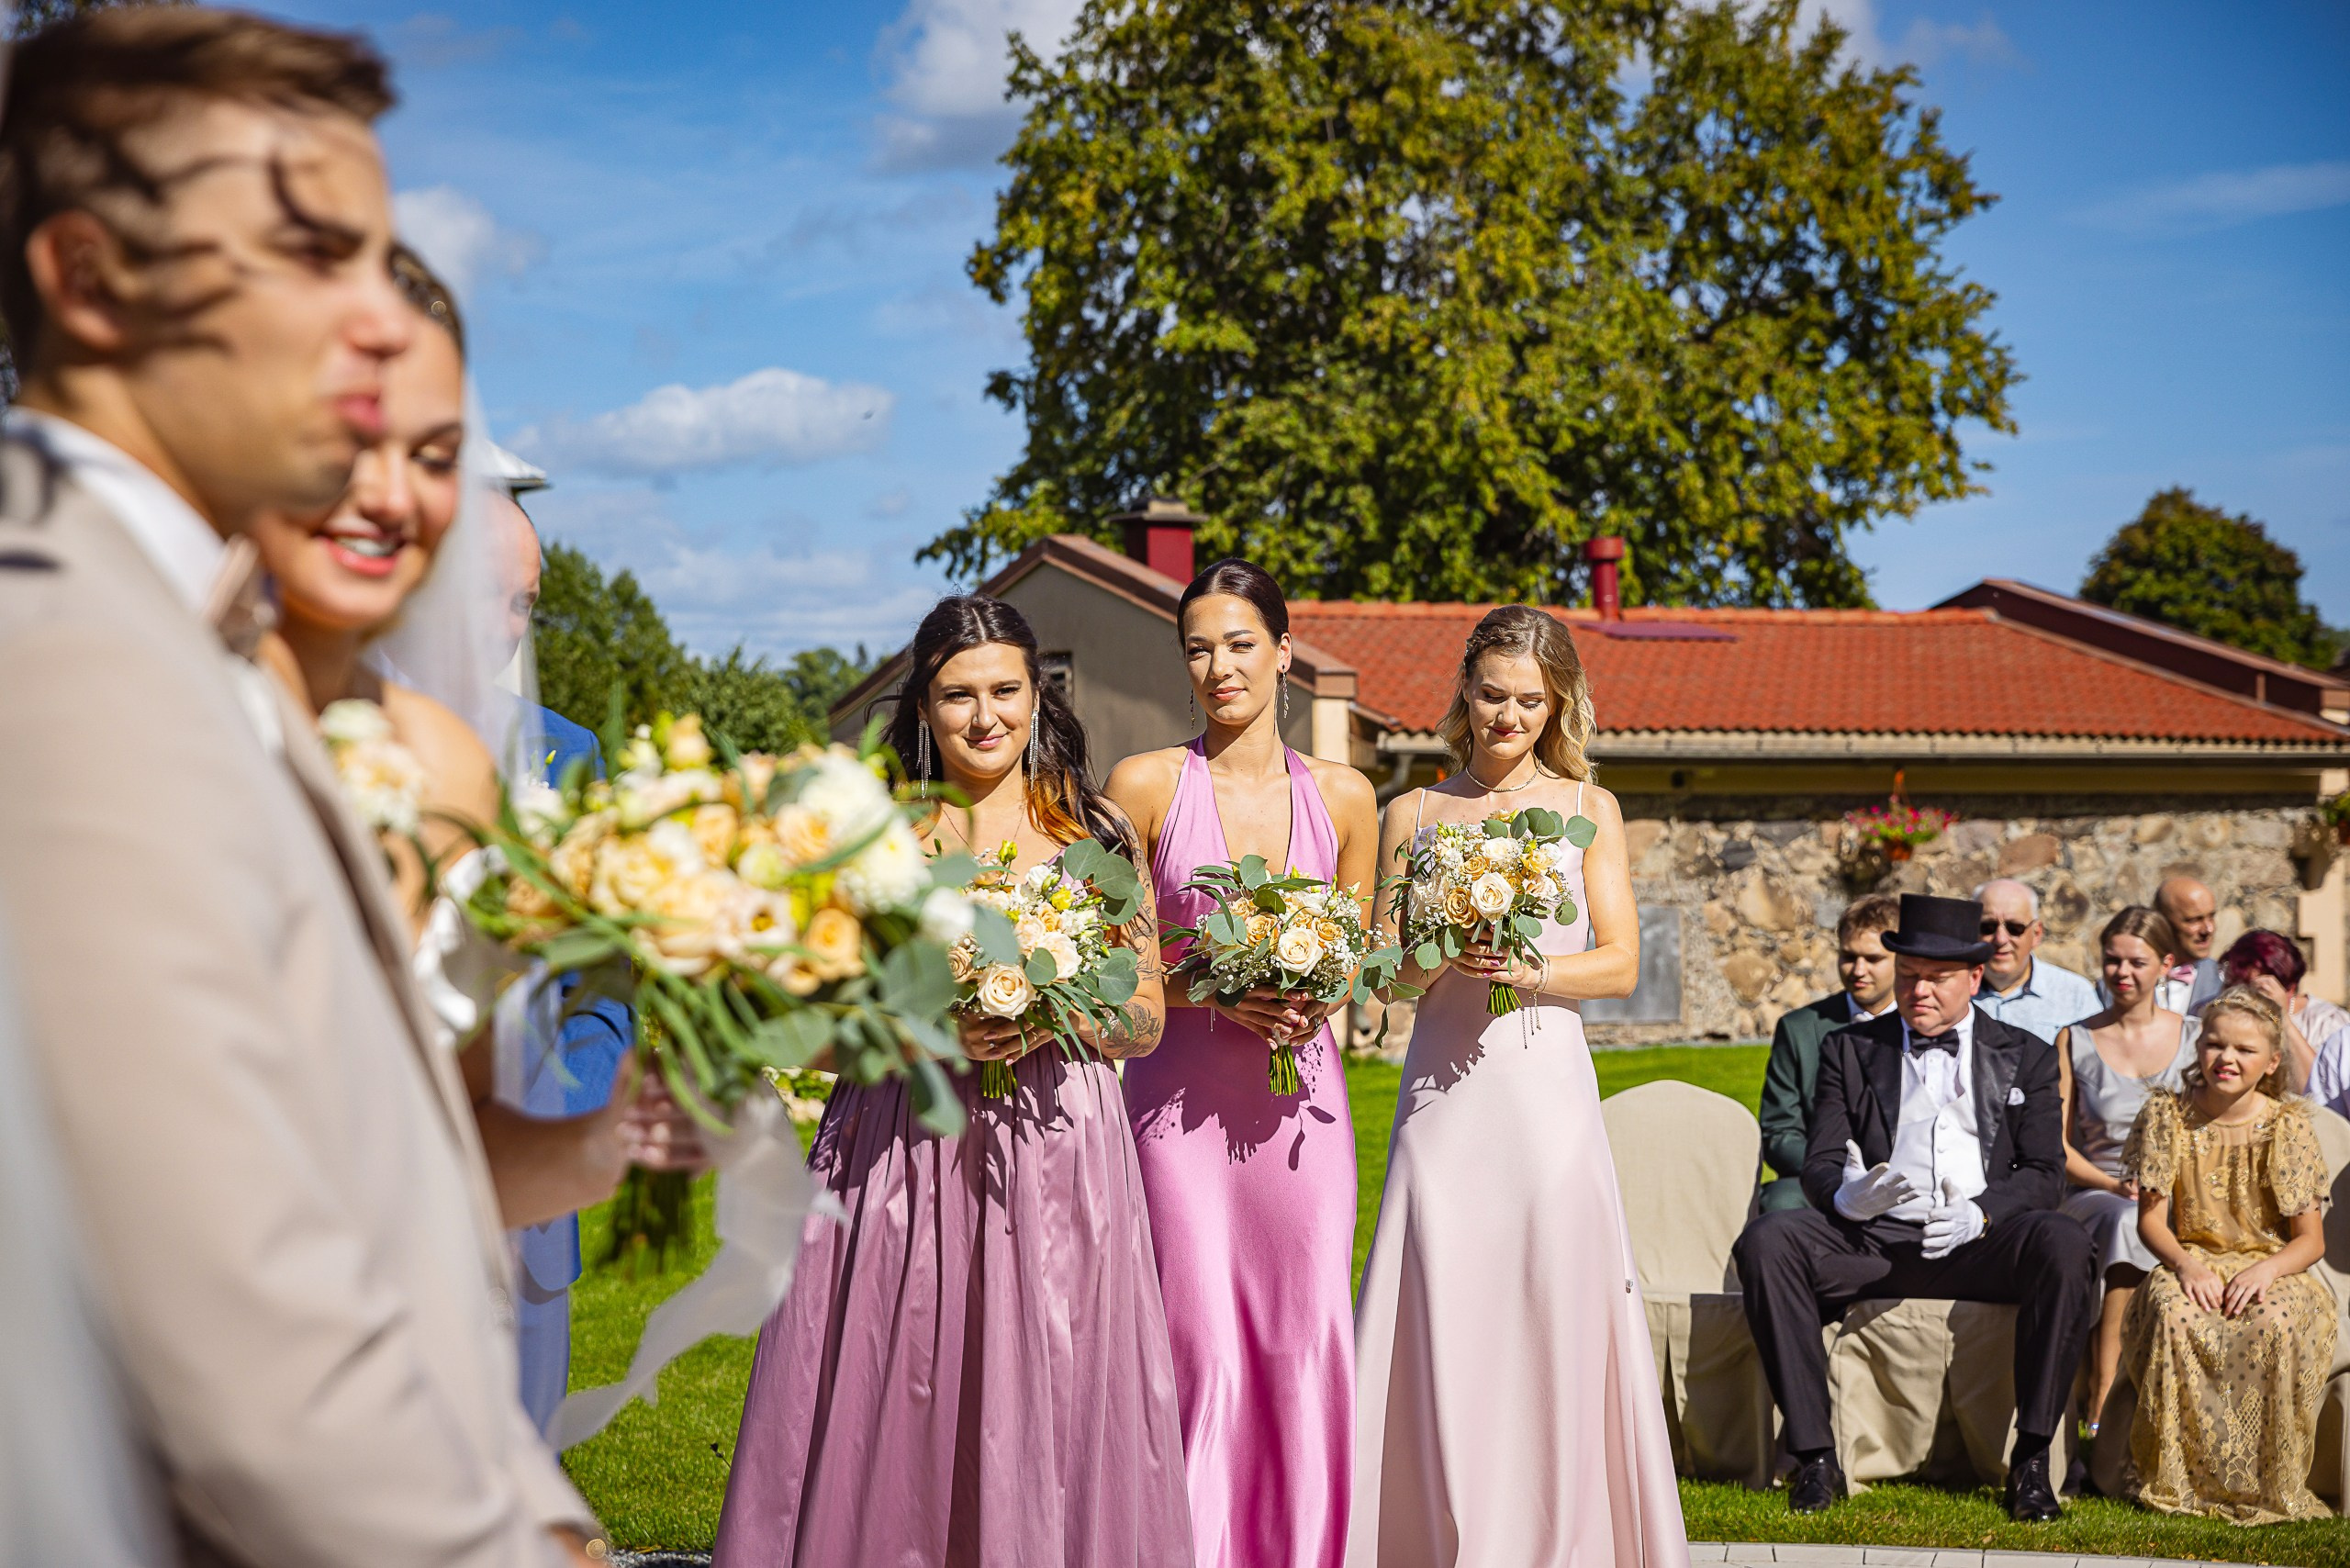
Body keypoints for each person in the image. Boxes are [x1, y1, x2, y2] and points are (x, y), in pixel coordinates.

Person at [0, 10, 598, 1563]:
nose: (383, 326)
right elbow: (259, 1370)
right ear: (89, 278)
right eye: (310, 255)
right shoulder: (62, 641)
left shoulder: (188, 633)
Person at [714, 595, 1190, 1567]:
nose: (985, 717)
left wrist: (1049, 1007)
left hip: (1060, 1154)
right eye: (957, 695)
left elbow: (1145, 1018)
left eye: (1005, 690)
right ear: (922, 708)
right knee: (901, 1393)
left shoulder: (1095, 832)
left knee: (1054, 1389)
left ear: (1037, 696)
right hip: (900, 1152)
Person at [1350, 606, 1688, 1568]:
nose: (1507, 716)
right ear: (1463, 689)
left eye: (1528, 701)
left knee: (1548, 1301)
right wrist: (1434, 946)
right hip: (1442, 1102)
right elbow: (1385, 982)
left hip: (1542, 1094)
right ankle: (1423, 1534)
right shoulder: (1409, 813)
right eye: (1491, 695)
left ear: (1558, 703)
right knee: (1442, 1293)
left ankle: (1556, 1537)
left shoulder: (1589, 809)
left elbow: (1620, 966)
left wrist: (1528, 966)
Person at [1107, 558, 1380, 1568]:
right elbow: (1110, 975)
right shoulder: (1142, 786)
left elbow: (1351, 961)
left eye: (1237, 643)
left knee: (1304, 1339)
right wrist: (1212, 987)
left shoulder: (1348, 798)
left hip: (1303, 1113)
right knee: (1196, 1342)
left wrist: (1311, 988)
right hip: (1175, 1106)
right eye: (1197, 647)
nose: (1218, 666)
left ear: (1283, 652)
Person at [1730, 893, 2097, 1524]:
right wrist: (1844, 1197)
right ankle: (1816, 1458)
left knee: (2063, 1242)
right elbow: (1818, 1157)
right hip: (1875, 1245)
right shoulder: (1850, 1049)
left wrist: (1981, 1214)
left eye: (1937, 979)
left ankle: (2033, 1462)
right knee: (1769, 1241)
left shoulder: (2028, 1055)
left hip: (1979, 1245)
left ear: (1974, 979)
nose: (1919, 991)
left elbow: (2043, 1173)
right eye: (1909, 977)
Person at [489, 480, 640, 1432]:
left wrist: (567, 1120)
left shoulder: (569, 753)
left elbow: (607, 980)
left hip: (534, 1185)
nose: (505, 624)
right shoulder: (341, 728)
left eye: (523, 601)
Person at [2121, 986, 2335, 1523]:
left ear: (2271, 1062)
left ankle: (2266, 1484)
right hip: (2191, 1256)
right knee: (2173, 1313)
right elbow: (2151, 1221)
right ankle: (2177, 1478)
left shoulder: (2287, 1126)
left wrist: (2267, 1270)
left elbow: (2310, 1240)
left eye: (2244, 1050)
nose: (2227, 1059)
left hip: (2272, 1263)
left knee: (2274, 1322)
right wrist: (2186, 1265)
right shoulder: (2168, 1117)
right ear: (2199, 1047)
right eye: (2216, 1044)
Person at [2052, 907, 2199, 1438]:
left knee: (2144, 1215)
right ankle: (2104, 1393)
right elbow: (2057, 1145)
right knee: (2123, 1220)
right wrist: (2113, 1183)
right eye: (2111, 961)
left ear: (2165, 965)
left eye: (2136, 962)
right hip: (2098, 1188)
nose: (2122, 973)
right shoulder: (2075, 1038)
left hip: (2183, 1191)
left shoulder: (2198, 1037)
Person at [1758, 895, 1899, 1211]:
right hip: (1823, 1177)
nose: (1858, 970)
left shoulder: (1923, 1024)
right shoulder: (1799, 1030)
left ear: (1901, 959)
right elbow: (1780, 1133)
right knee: (1778, 1202)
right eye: (1849, 956)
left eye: (1873, 959)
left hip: (1905, 1176)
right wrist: (1836, 1175)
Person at [2222, 929, 2350, 1101]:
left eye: (2255, 989)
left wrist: (2283, 1019)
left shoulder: (2327, 1022)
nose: (2242, 998)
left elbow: (2319, 1094)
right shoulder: (2212, 1009)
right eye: (2232, 985)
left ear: (2289, 988)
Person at [1972, 879, 2101, 1047]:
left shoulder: (2075, 994)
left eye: (2015, 928)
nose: (2001, 939)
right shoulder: (1952, 993)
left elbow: (2096, 1065)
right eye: (1988, 927)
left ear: (2037, 933)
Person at [2153, 877, 2222, 1017]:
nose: (2208, 930)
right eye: (2194, 920)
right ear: (2163, 921)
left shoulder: (2224, 980)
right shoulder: (2123, 979)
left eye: (2211, 917)